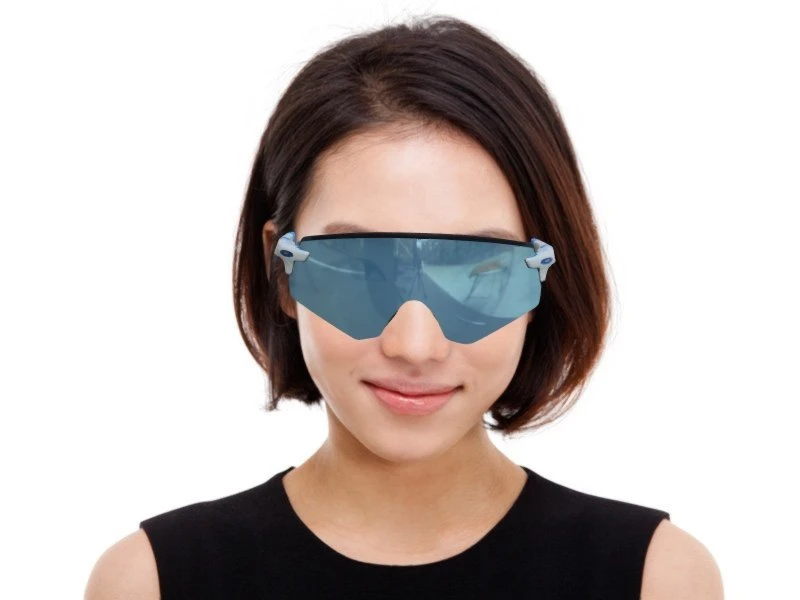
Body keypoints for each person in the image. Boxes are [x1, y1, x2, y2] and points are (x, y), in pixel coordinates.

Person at [85, 14, 723, 599]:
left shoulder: (658, 578)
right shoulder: (149, 582)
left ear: (542, 283)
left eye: (476, 273)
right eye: (362, 270)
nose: (415, 345)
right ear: (281, 272)